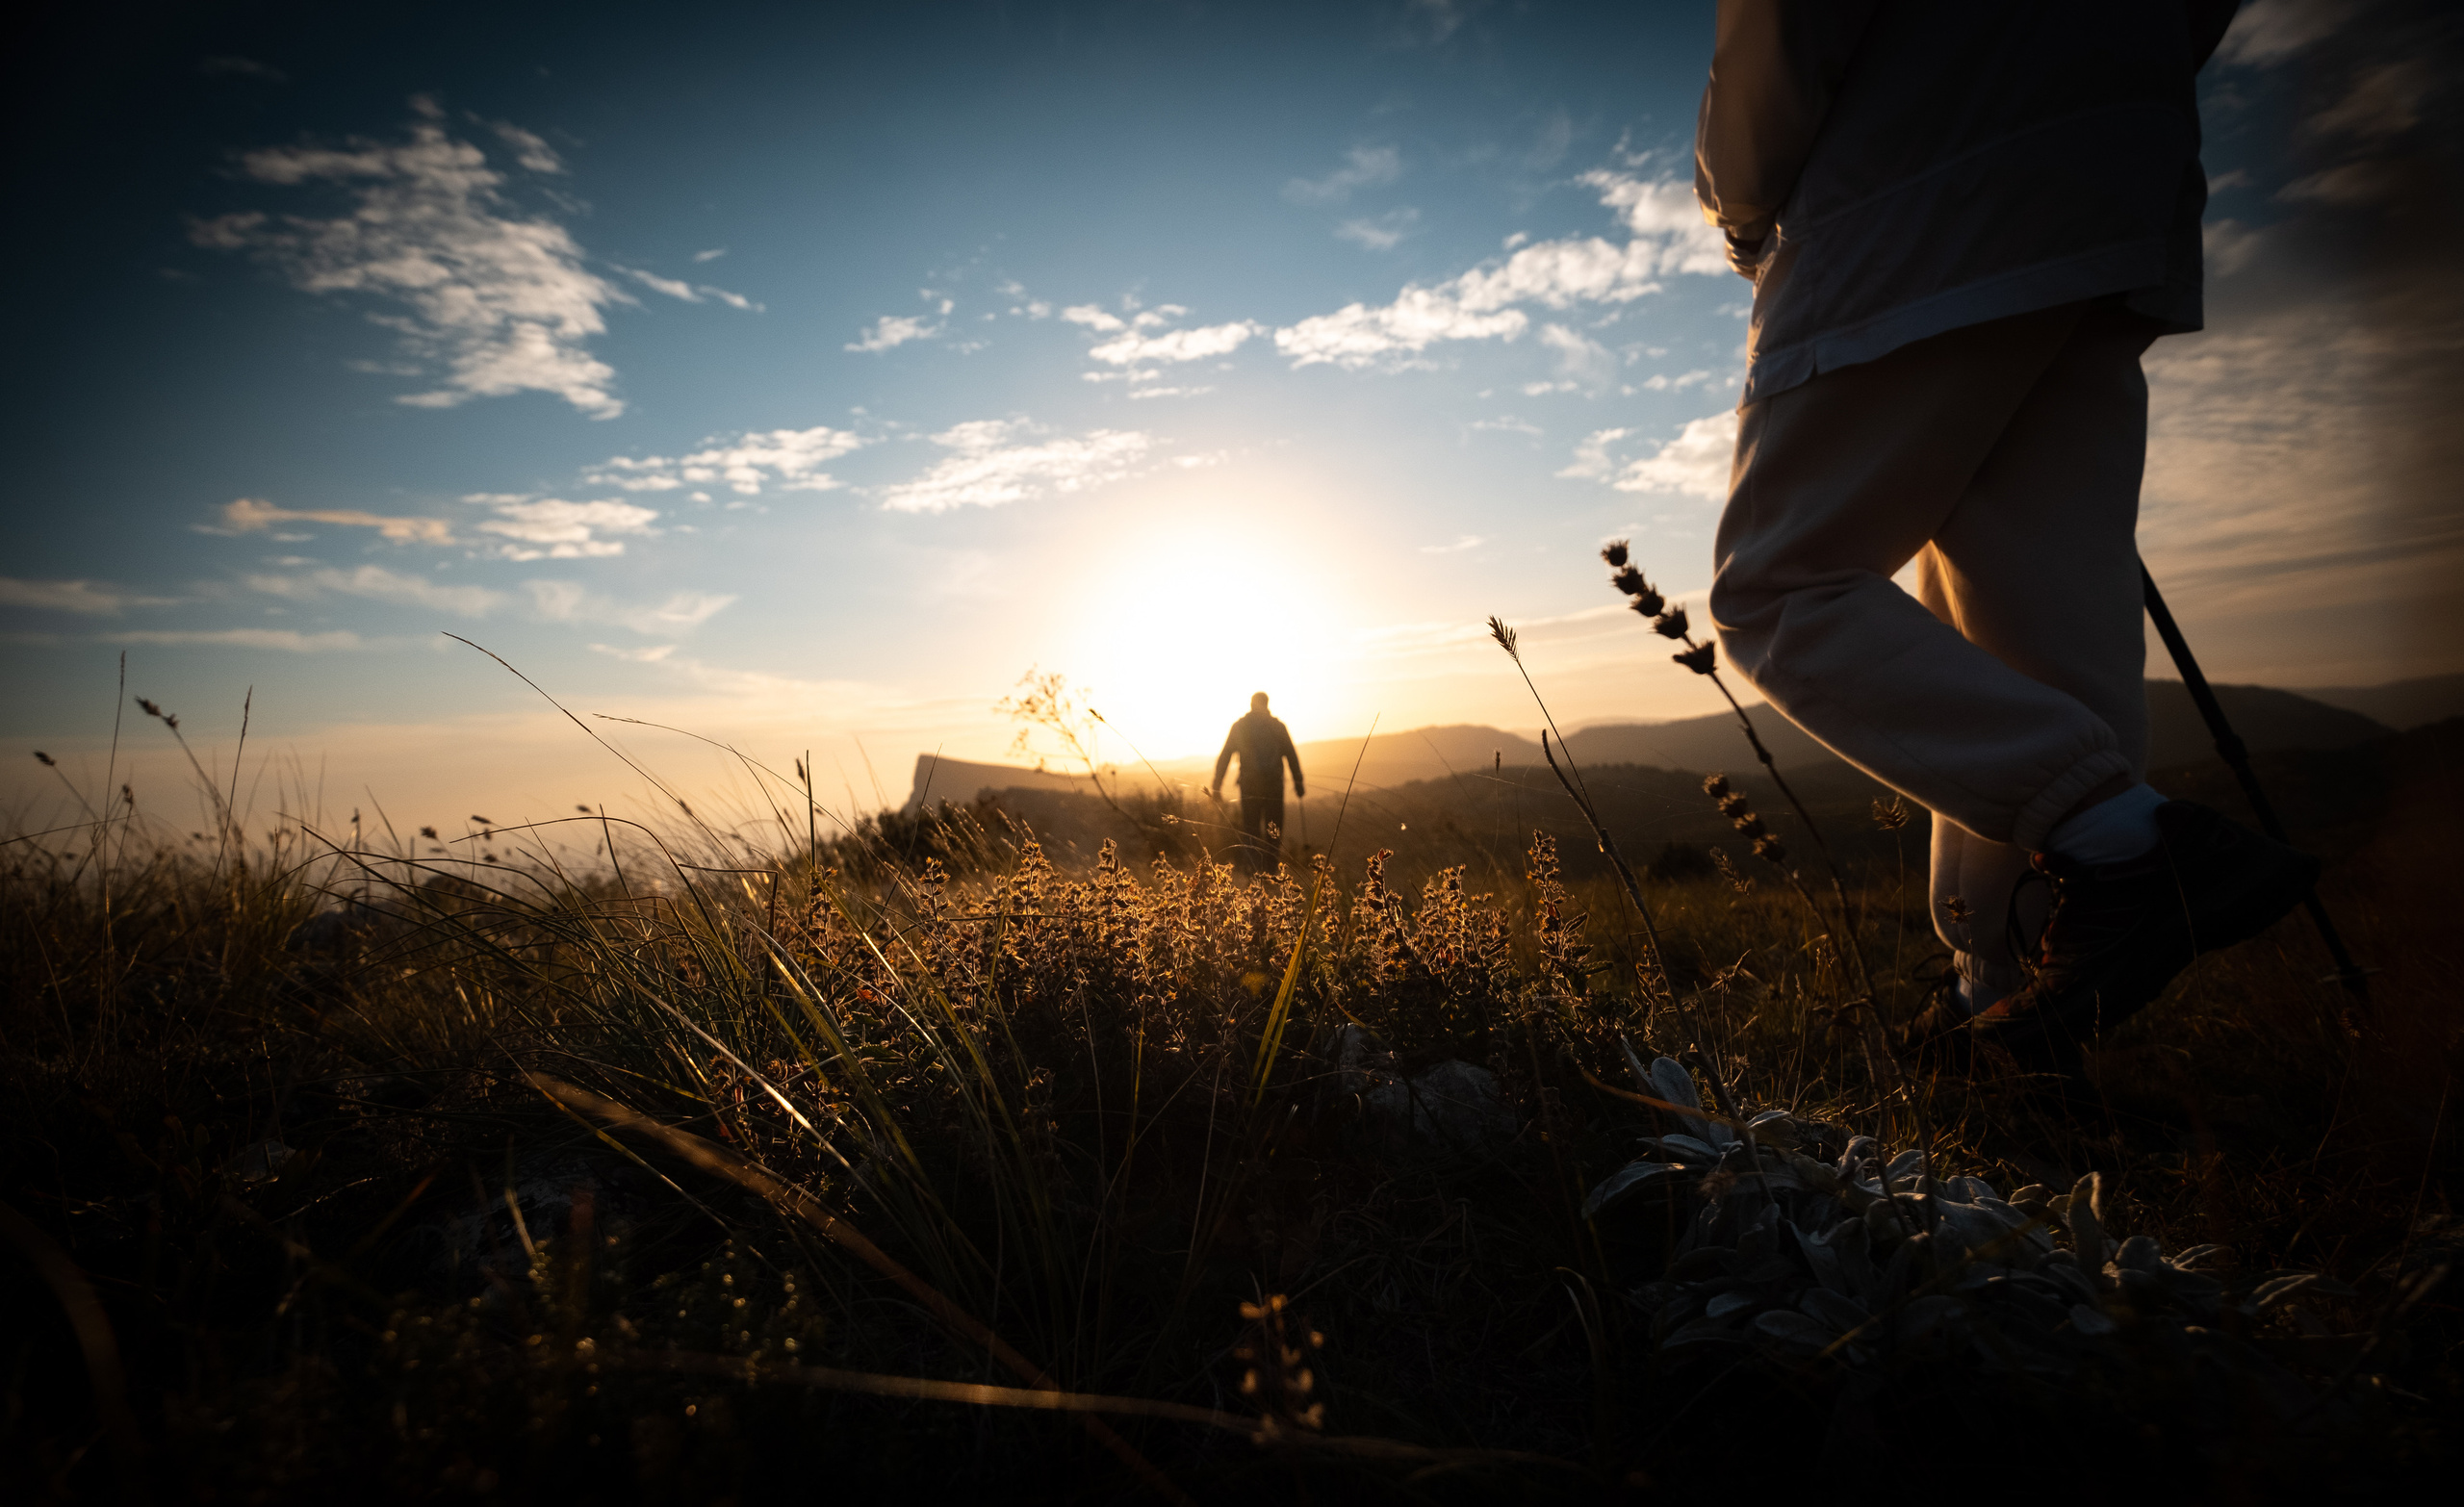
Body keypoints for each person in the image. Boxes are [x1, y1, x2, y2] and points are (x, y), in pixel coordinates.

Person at [1691, 0, 2318, 1076]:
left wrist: (1739, 207)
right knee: (2037, 622)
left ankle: (2124, 842)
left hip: (1917, 199)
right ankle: (2012, 1001)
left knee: (1778, 585)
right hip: (2115, 188)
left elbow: (1781, 28)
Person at [1210, 692, 1304, 873]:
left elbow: (1225, 756)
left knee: (1250, 831)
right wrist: (1298, 782)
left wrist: (1217, 785)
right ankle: (1271, 872)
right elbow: (1292, 755)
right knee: (1274, 832)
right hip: (1274, 786)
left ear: (1252, 704)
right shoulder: (1277, 727)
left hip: (1249, 786)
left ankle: (1253, 872)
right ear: (1267, 704)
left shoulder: (1240, 727)